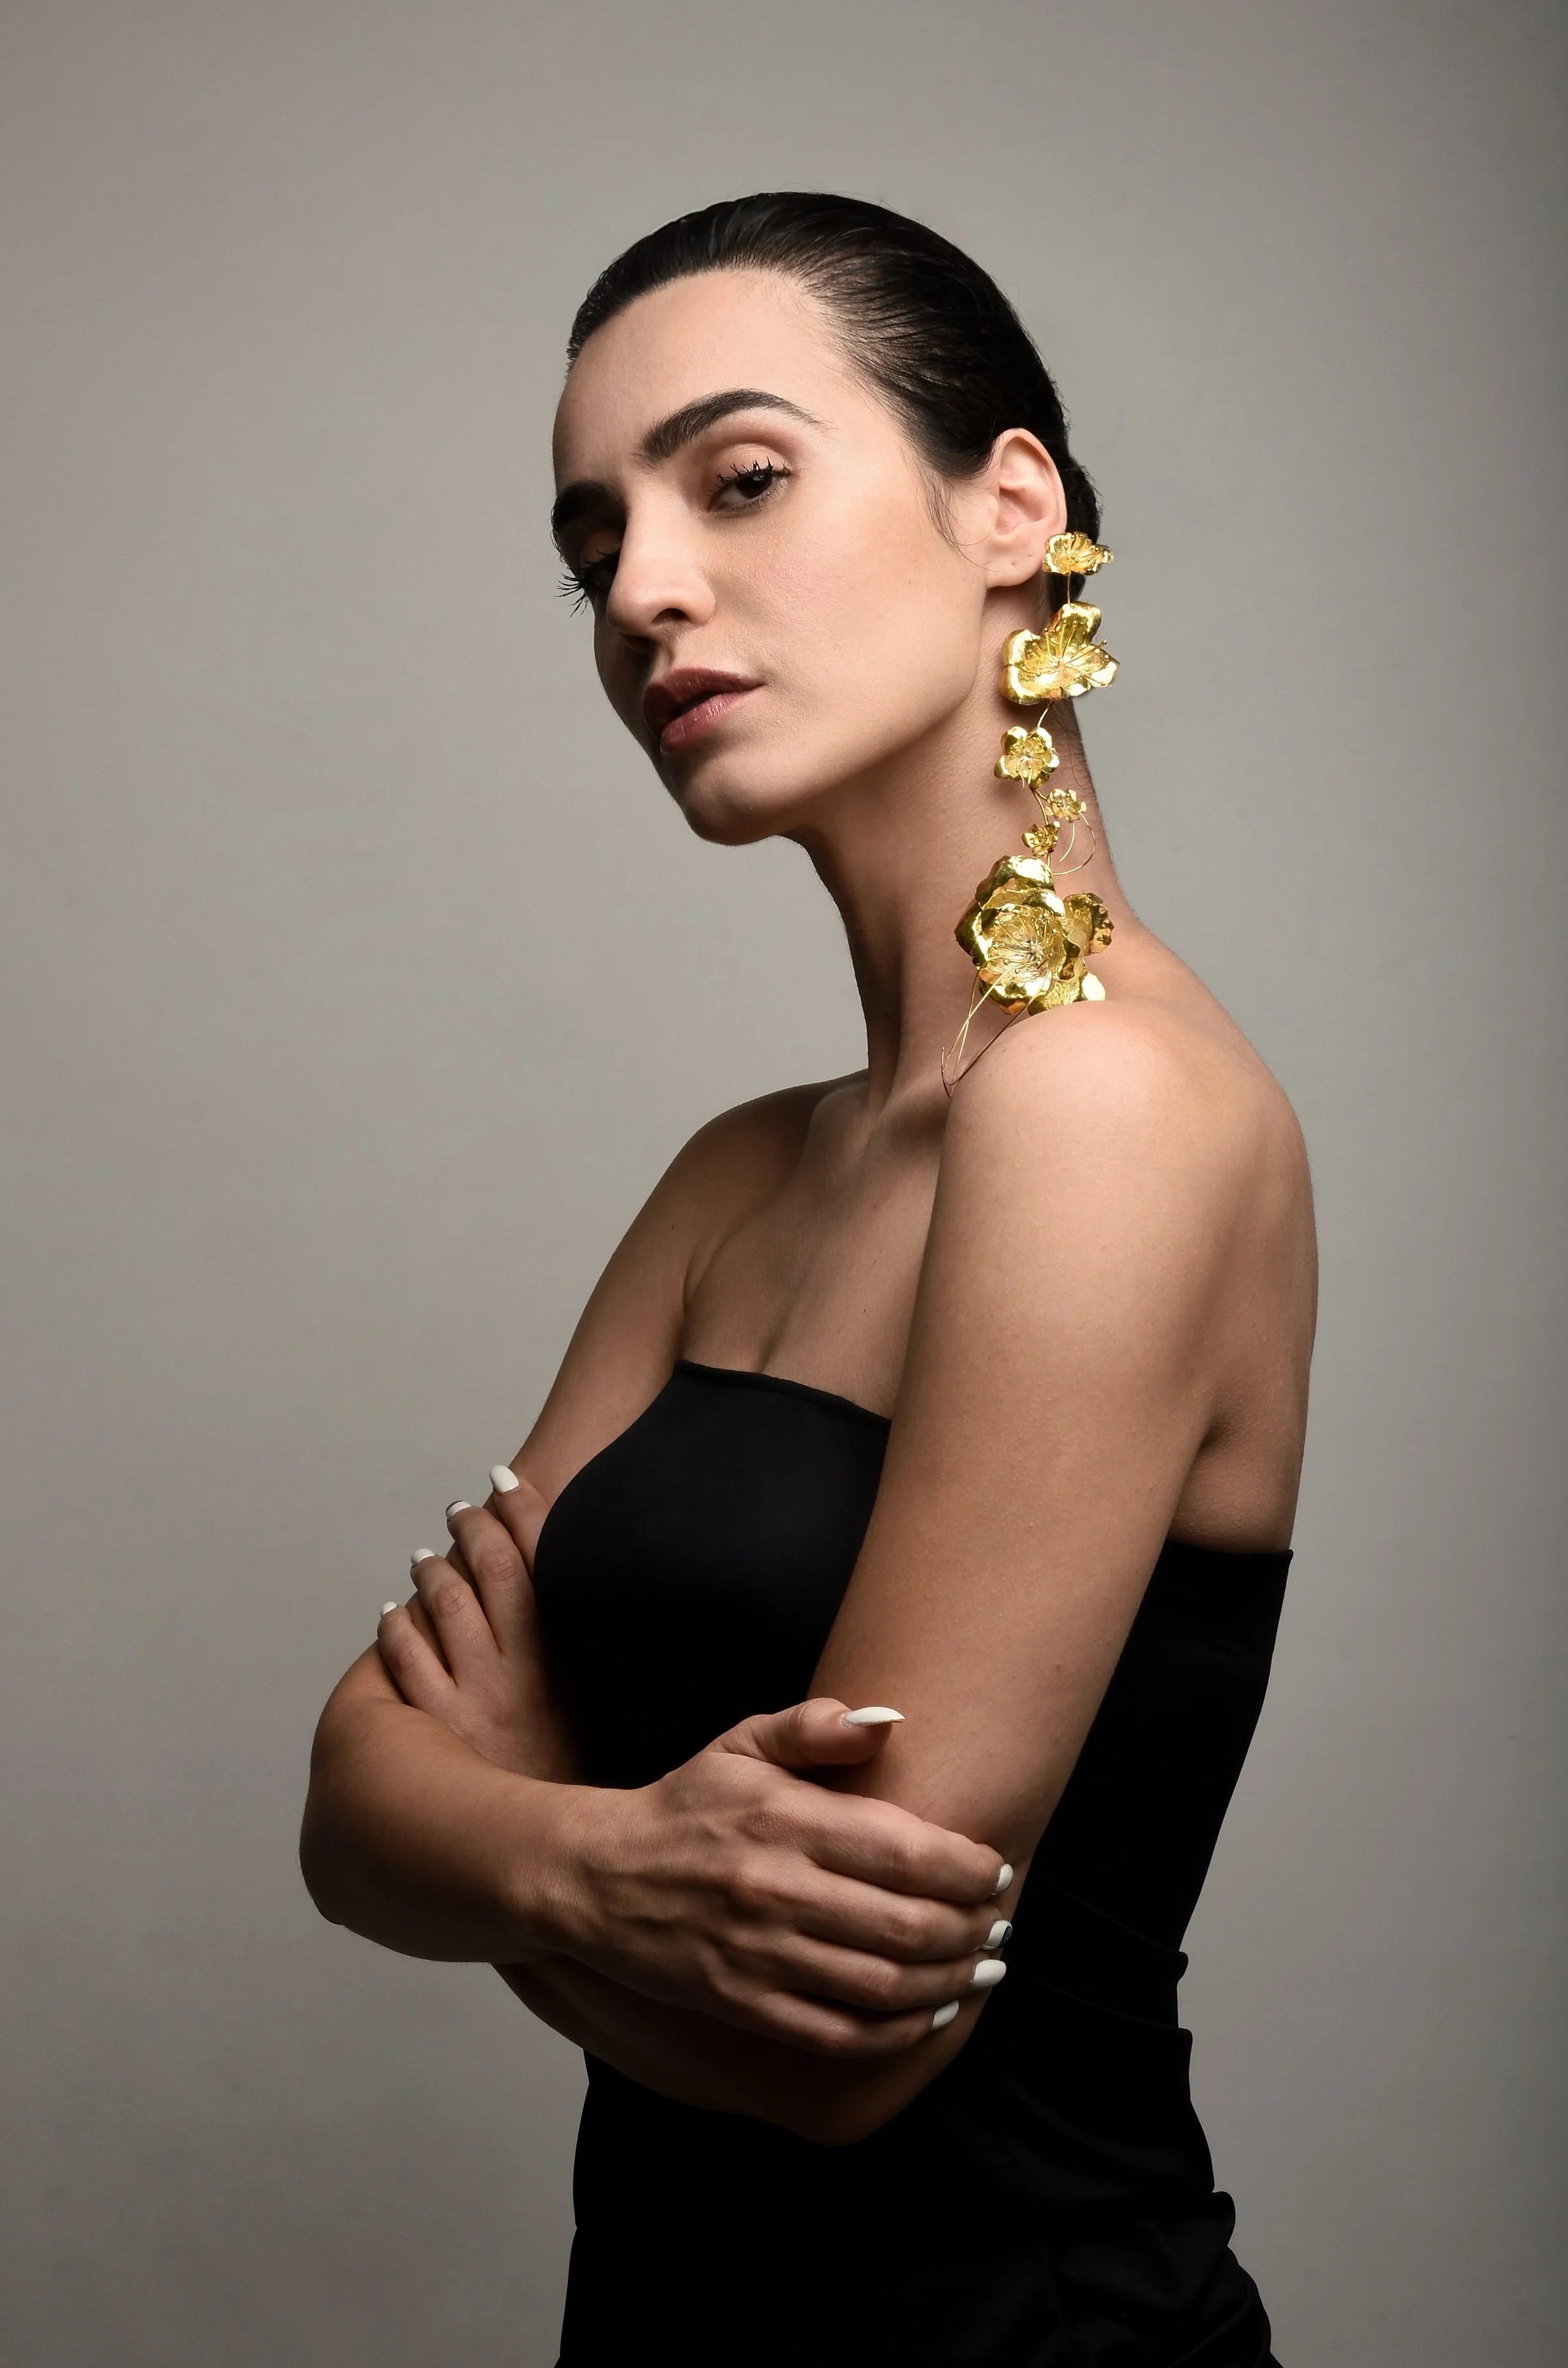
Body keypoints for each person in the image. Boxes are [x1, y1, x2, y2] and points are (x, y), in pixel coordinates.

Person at [300, 192, 1314, 2367]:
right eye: (593, 550)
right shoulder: (734, 1178)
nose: (643, 589)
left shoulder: (1107, 1103)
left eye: (737, 479)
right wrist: (601, 1874)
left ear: (1007, 510)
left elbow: (837, 2045)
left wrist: (501, 1837)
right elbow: (345, 1803)